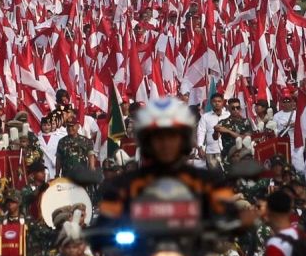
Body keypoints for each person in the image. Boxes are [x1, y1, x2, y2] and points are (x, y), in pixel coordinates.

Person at [96, 97, 242, 238]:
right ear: (146, 141)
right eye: (158, 137)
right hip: (142, 255)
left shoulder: (208, 181)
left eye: (173, 136)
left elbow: (230, 216)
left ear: (184, 140)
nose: (166, 143)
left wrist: (235, 223)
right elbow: (104, 224)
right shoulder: (123, 186)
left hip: (192, 255)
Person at [196, 93, 230, 171]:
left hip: (227, 151)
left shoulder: (228, 115)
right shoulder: (205, 117)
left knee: (227, 175)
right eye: (214, 101)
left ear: (223, 102)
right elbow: (201, 132)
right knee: (214, 176)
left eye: (219, 101)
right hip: (211, 152)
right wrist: (200, 147)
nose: (217, 103)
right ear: (211, 103)